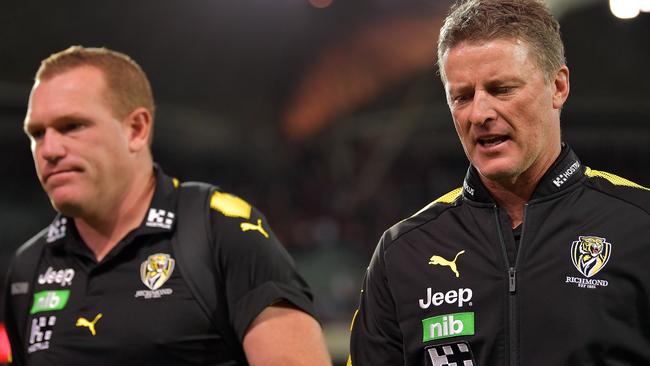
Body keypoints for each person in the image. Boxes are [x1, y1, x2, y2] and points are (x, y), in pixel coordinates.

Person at [349, 0, 650, 365]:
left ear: (558, 86)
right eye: (461, 96)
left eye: (502, 89)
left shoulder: (639, 225)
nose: (479, 114)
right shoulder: (402, 253)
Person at [3, 46, 332, 366]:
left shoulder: (220, 231)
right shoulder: (28, 267)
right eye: (36, 133)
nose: (48, 149)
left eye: (71, 126)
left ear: (136, 129)